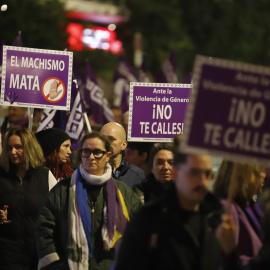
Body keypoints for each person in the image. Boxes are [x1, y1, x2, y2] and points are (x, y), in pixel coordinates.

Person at [35, 131, 142, 270]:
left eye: (97, 152)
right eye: (86, 151)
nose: (91, 157)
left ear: (108, 155)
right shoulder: (62, 191)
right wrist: (55, 264)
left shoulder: (124, 193)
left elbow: (138, 232)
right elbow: (44, 230)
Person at [115, 148, 224, 270]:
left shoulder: (217, 217)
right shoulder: (149, 218)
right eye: (194, 173)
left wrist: (231, 255)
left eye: (207, 174)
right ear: (177, 174)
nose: (202, 181)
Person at [0, 127, 57, 270]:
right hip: (6, 254)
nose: (13, 152)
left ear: (30, 147)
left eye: (18, 147)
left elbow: (59, 214)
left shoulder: (46, 176)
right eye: (9, 148)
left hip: (38, 254)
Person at [213, 160, 265, 265]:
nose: (263, 175)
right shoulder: (228, 208)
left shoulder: (251, 205)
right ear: (245, 175)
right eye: (259, 171)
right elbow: (229, 257)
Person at [100, 122, 145, 188]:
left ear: (124, 145)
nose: (106, 143)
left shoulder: (137, 174)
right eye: (102, 139)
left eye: (111, 139)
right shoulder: (91, 172)